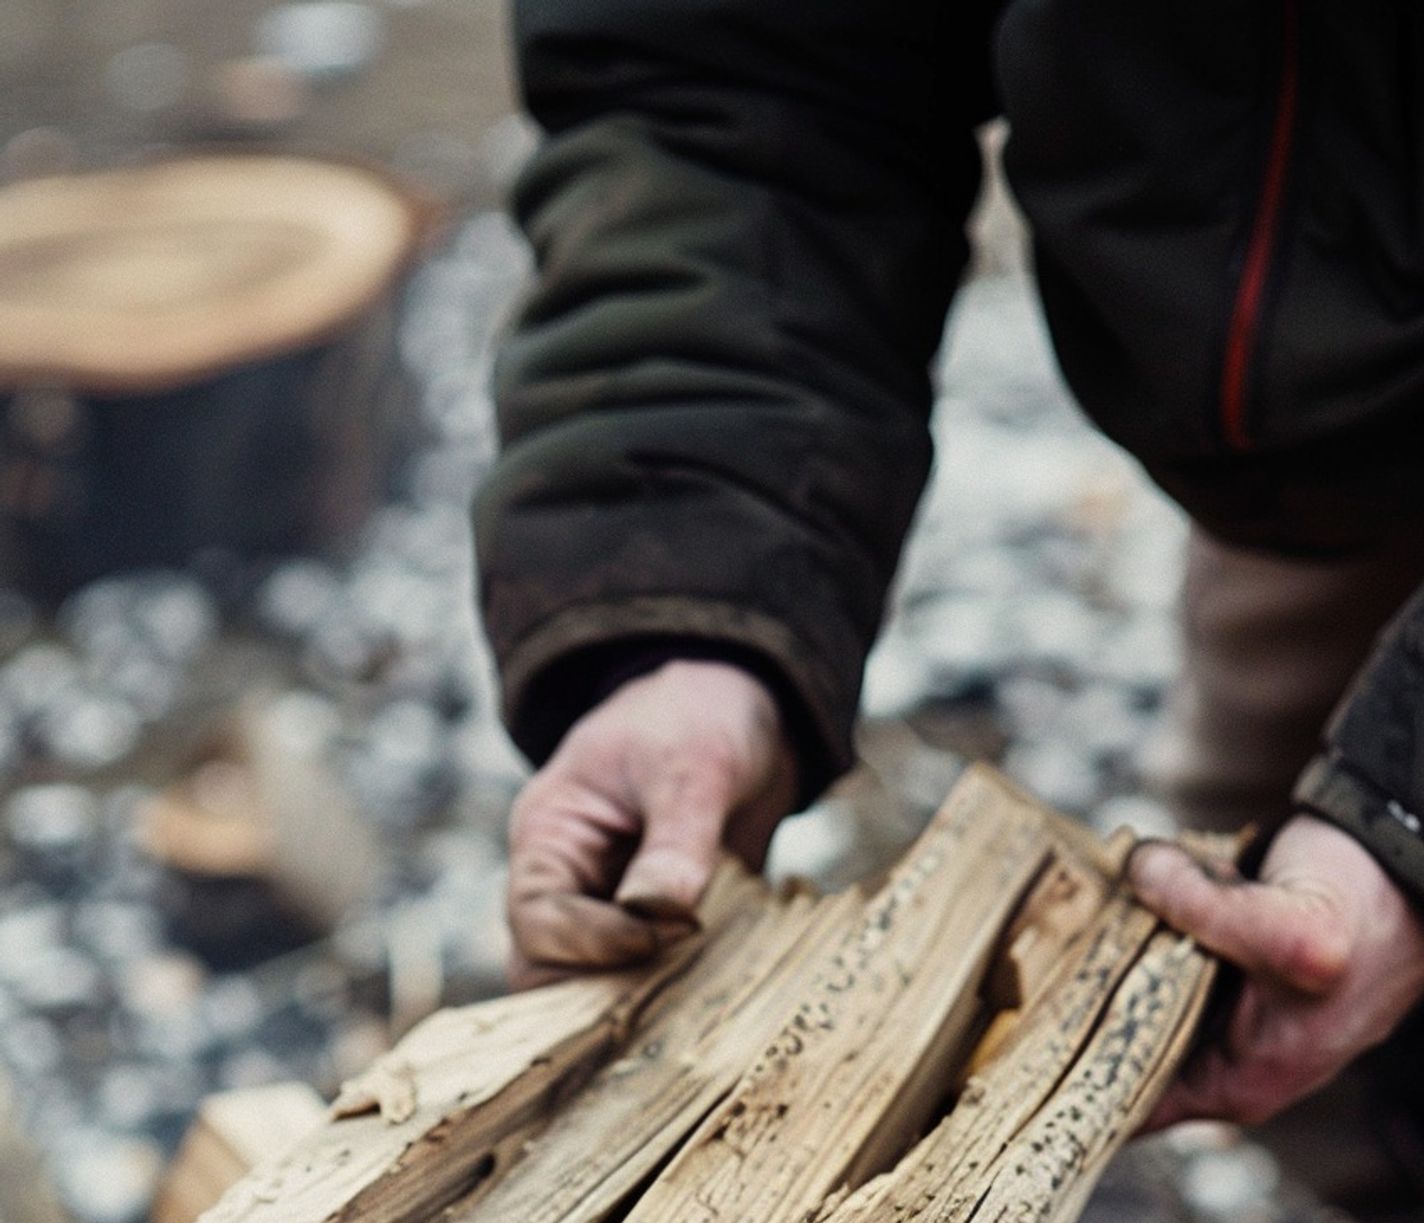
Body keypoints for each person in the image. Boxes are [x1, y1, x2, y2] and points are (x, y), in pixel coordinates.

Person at [475, 2, 1424, 1129]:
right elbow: (734, 76)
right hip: (1318, 475)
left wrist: (1400, 808)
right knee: (1308, 1031)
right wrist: (685, 608)